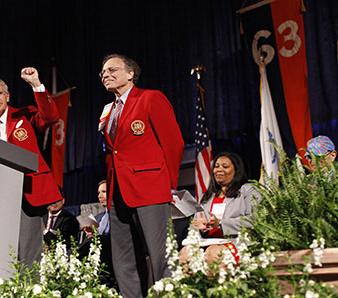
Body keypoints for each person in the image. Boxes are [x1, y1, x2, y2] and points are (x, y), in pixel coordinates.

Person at [99, 54, 185, 298]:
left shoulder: (150, 98)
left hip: (149, 188)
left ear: (130, 74)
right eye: (103, 72)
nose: (105, 74)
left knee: (160, 256)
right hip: (118, 192)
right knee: (123, 258)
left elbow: (174, 143)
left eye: (112, 69)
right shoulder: (109, 110)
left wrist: (167, 186)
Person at [0, 68, 63, 268]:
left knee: (29, 253)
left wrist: (35, 84)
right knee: (1, 252)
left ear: (8, 96)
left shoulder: (25, 116)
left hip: (27, 192)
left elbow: (50, 116)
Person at [179, 152, 261, 266]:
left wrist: (221, 223)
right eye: (216, 166)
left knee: (214, 254)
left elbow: (255, 220)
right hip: (207, 243)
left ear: (236, 170)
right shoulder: (207, 196)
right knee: (185, 254)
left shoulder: (248, 190)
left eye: (225, 166)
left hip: (237, 242)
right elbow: (195, 226)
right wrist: (202, 227)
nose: (219, 169)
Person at [78, 180, 116, 287]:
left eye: (104, 192)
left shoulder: (119, 217)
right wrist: (90, 234)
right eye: (98, 193)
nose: (100, 196)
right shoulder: (97, 217)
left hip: (111, 253)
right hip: (95, 255)